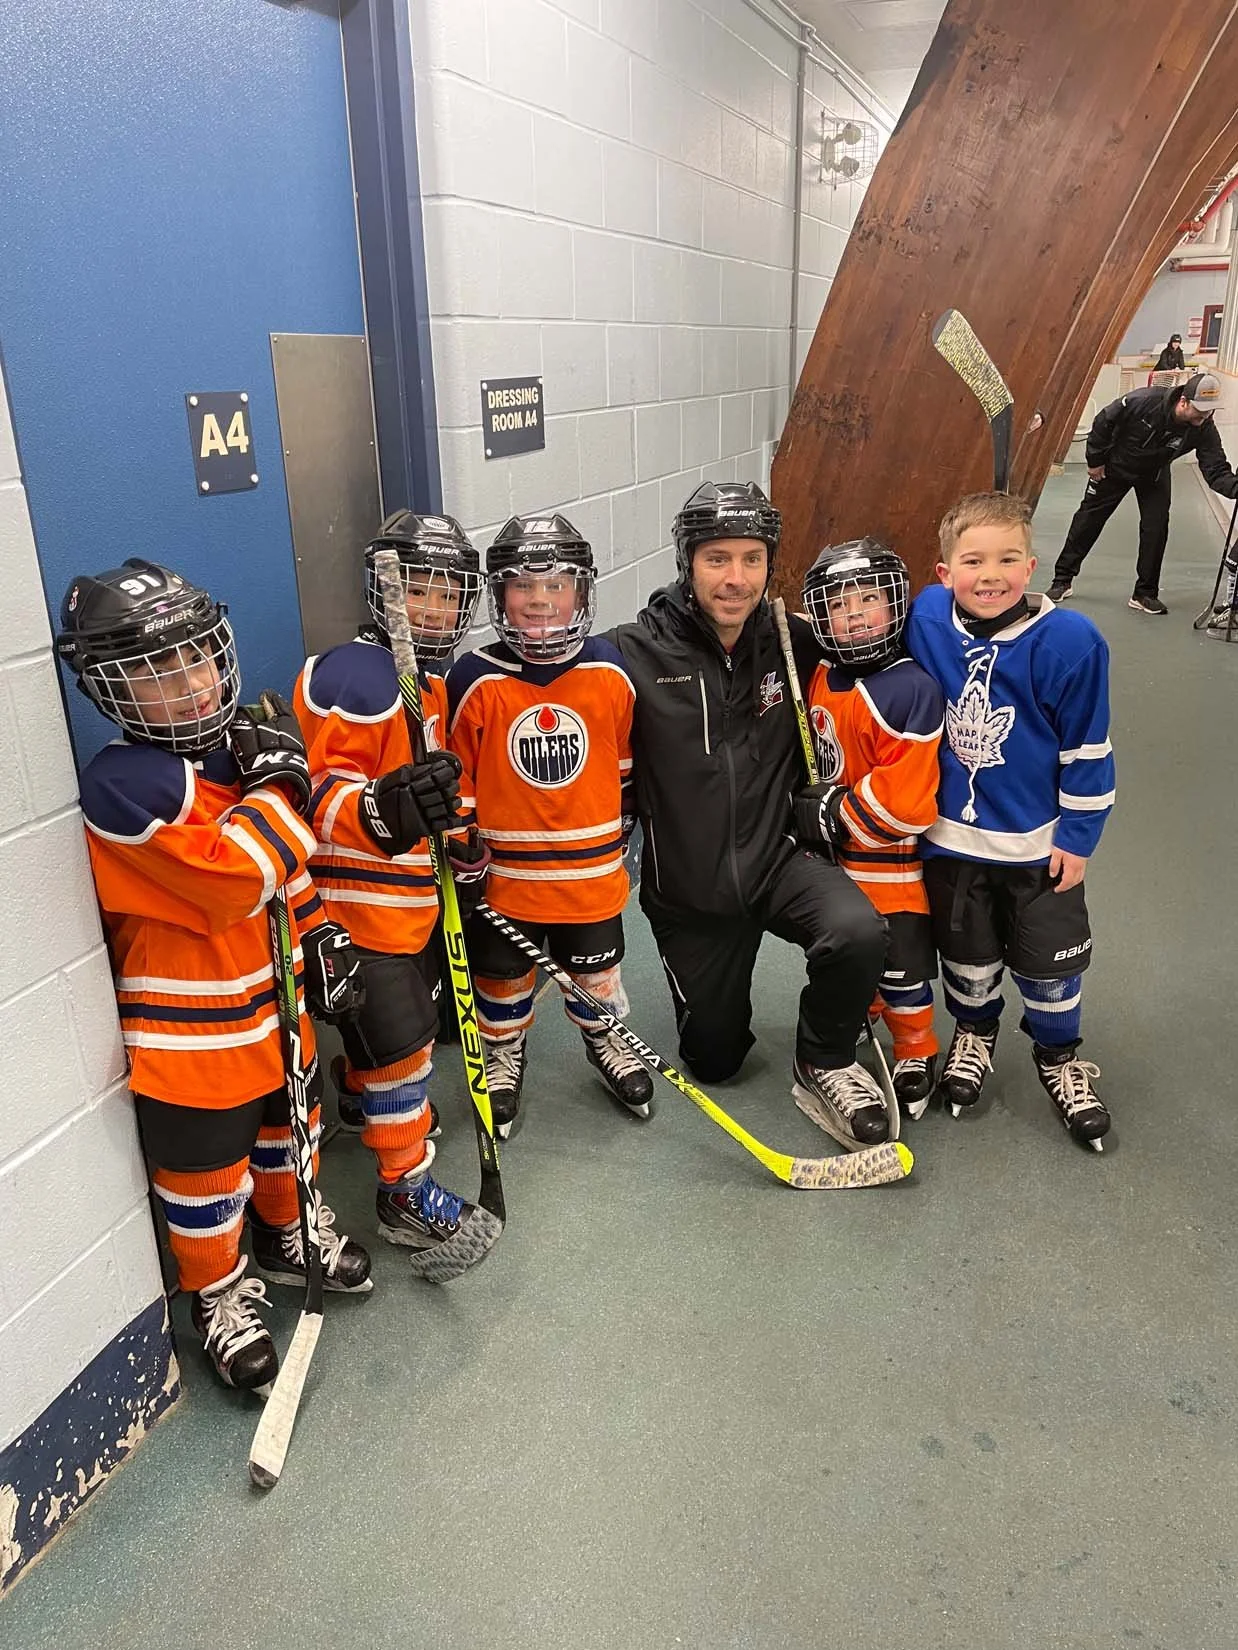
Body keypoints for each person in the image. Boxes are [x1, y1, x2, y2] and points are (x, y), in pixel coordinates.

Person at [57, 559, 372, 1395]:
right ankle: (219, 1291)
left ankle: (289, 1228)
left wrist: (324, 931)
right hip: (192, 1042)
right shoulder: (125, 787)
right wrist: (283, 789)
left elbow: (285, 878)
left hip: (276, 1009)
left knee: (289, 1132)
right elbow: (236, 876)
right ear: (110, 688)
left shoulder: (240, 753)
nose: (192, 683)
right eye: (158, 670)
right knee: (205, 1179)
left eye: (197, 656)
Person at [609, 481, 891, 1152]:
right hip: (690, 894)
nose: (736, 578)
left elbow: (890, 647)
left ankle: (823, 1058)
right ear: (687, 561)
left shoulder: (794, 640)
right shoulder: (631, 653)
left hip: (779, 861)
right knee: (715, 1061)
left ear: (770, 563)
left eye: (752, 559)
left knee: (858, 932)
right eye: (716, 559)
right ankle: (709, 1008)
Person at [292, 511, 499, 1272]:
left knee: (393, 1040)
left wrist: (460, 839)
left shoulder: (430, 681)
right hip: (352, 916)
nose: (434, 609)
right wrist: (391, 807)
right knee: (405, 1045)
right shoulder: (354, 672)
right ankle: (402, 1190)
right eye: (417, 590)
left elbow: (438, 793)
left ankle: (366, 1104)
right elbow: (323, 797)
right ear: (381, 592)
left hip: (407, 910)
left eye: (448, 593)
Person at [907, 492, 1115, 1150]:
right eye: (972, 561)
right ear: (943, 576)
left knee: (1050, 969)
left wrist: (1078, 838)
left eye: (1007, 559)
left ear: (1031, 566)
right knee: (966, 960)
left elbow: (1088, 749)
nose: (990, 574)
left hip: (1037, 848)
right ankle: (974, 1032)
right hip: (951, 844)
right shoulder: (926, 616)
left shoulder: (1073, 643)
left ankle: (1059, 1057)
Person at [445, 511, 653, 1139]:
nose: (539, 600)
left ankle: (607, 1040)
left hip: (589, 876)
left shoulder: (609, 671)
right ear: (498, 595)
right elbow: (461, 786)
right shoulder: (474, 676)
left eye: (556, 584)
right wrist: (465, 854)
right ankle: (504, 1055)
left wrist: (620, 844)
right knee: (503, 980)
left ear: (582, 592)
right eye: (522, 586)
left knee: (596, 972)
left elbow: (620, 772)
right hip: (506, 880)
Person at [794, 539, 944, 1119]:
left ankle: (915, 1047)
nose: (855, 613)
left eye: (870, 599)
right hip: (836, 865)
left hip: (891, 865)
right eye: (839, 603)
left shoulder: (910, 688)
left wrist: (833, 814)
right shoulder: (824, 673)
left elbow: (906, 803)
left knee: (902, 967)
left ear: (894, 604)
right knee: (855, 961)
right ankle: (865, 1014)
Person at [1047, 371, 1238, 615]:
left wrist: (1234, 488)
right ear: (1183, 401)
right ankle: (1062, 580)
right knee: (1088, 520)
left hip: (1154, 475)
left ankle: (1145, 593)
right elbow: (1104, 421)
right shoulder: (1144, 401)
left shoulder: (1203, 428)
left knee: (1156, 528)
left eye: (1210, 410)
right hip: (1114, 469)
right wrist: (1095, 460)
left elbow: (1215, 468)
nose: (1205, 416)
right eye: (1200, 409)